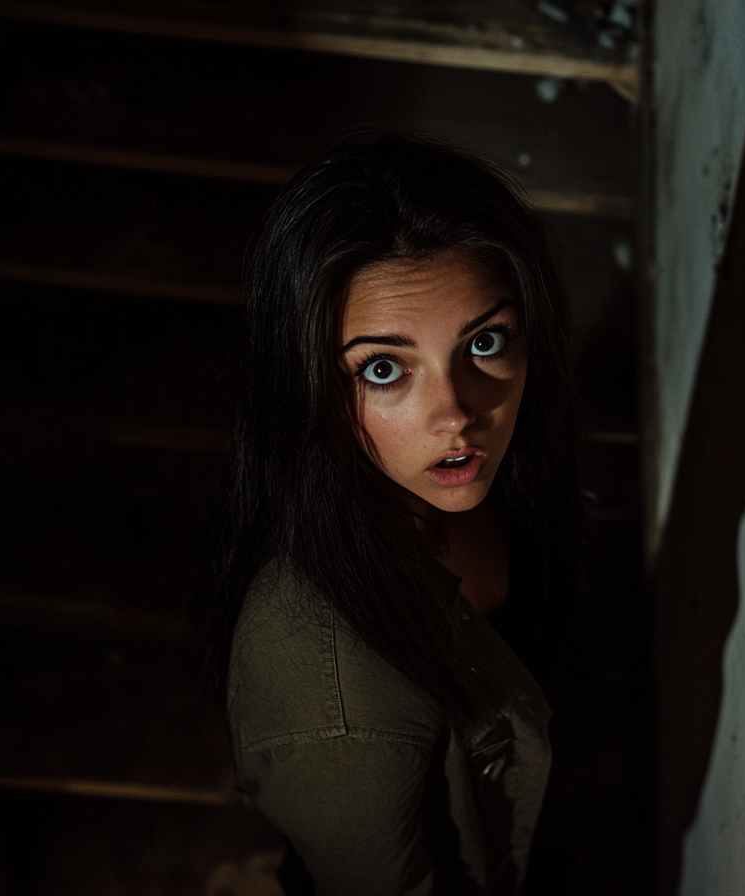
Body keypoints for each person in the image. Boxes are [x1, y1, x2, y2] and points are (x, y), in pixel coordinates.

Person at [196, 133, 585, 895]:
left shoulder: (510, 459)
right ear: (305, 382)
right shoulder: (333, 699)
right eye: (383, 369)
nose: (456, 414)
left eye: (484, 342)